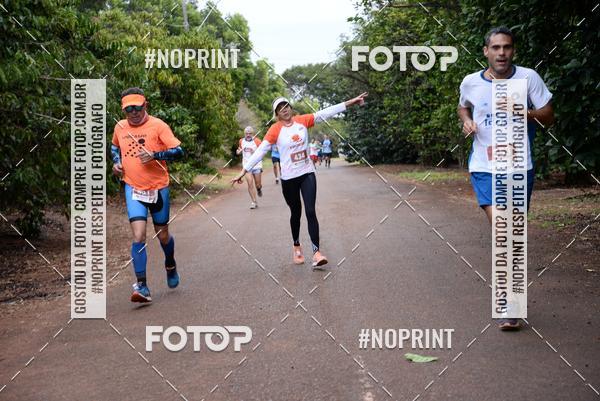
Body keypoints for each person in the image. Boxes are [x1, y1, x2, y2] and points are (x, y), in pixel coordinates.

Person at [458, 26, 554, 330]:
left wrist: (526, 113)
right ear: (486, 51)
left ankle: (510, 300)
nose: (502, 53)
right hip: (485, 167)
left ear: (513, 50)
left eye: (507, 47)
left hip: (519, 167)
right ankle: (509, 302)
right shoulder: (471, 82)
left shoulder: (528, 78)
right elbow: (463, 107)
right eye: (496, 47)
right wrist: (467, 121)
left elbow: (549, 115)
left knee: (513, 233)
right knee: (503, 229)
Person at [231, 92, 368, 268]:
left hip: (307, 173)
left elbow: (326, 112)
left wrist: (351, 102)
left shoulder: (302, 121)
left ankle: (316, 253)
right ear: (277, 113)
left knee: (310, 211)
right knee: (296, 212)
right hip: (289, 179)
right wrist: (244, 171)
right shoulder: (275, 130)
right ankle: (296, 246)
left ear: (290, 107)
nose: (284, 110)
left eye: (286, 106)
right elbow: (260, 151)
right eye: (280, 108)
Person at [111, 87, 184, 303]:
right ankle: (142, 286)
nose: (133, 113)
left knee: (162, 235)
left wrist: (155, 155)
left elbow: (179, 151)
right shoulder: (120, 127)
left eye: (137, 107)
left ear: (146, 105)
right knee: (139, 236)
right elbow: (114, 147)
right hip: (133, 187)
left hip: (158, 187)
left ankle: (170, 264)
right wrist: (116, 163)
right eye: (128, 109)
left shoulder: (158, 125)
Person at [236, 126, 263, 209]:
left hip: (257, 165)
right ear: (244, 134)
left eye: (250, 133)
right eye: (246, 133)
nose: (248, 135)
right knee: (250, 183)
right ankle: (254, 201)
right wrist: (238, 152)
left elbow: (262, 152)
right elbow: (239, 150)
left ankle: (259, 189)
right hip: (247, 166)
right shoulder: (241, 141)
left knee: (258, 184)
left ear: (252, 134)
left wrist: (255, 151)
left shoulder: (257, 141)